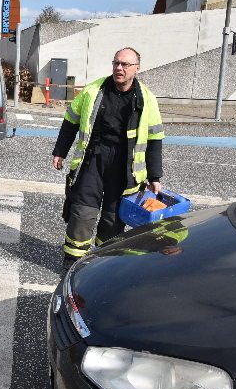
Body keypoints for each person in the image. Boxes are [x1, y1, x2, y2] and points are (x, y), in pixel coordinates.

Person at [51, 47, 164, 271]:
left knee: (113, 219)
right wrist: (59, 151)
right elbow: (70, 121)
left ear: (137, 68)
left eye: (125, 64)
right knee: (82, 212)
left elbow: (155, 139)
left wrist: (155, 176)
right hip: (92, 160)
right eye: (116, 63)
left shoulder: (147, 99)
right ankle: (72, 262)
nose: (119, 68)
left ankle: (104, 262)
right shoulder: (93, 90)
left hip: (125, 167)